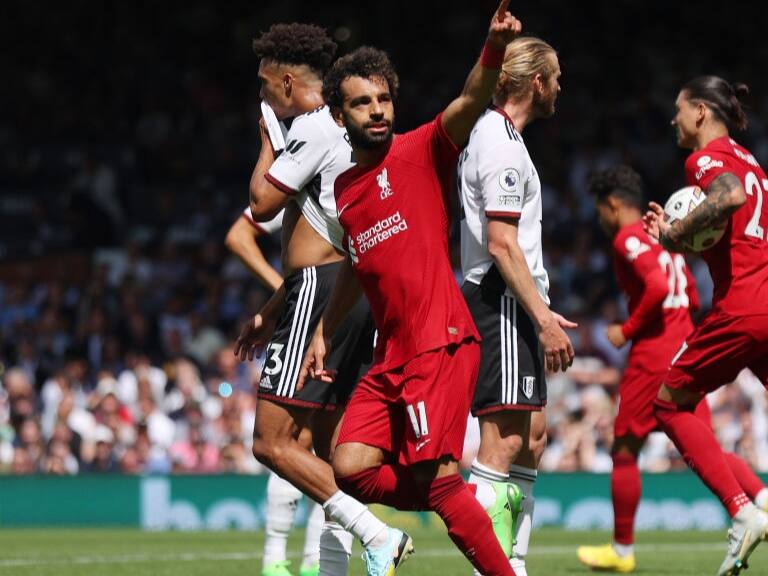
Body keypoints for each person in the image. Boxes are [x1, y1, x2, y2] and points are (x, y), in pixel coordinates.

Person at [301, 3, 523, 574]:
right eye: (362, 102)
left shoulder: (421, 150)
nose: (377, 110)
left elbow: (471, 99)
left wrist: (494, 47)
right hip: (391, 355)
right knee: (350, 466)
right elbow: (359, 264)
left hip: (437, 342)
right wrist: (325, 329)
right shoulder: (345, 189)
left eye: (383, 99)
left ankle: (461, 508)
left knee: (438, 483)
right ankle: (462, 501)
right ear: (339, 114)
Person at [232, 23, 401, 576]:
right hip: (351, 290)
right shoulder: (344, 128)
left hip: (320, 291)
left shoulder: (311, 125)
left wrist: (267, 141)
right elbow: (325, 235)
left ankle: (377, 534)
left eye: (265, 85)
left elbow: (260, 206)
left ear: (285, 82)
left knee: (273, 443)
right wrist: (273, 309)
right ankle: (332, 568)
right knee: (326, 447)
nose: (262, 96)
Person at [578, 166, 768, 573]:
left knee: (625, 448)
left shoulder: (629, 237)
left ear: (613, 205)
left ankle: (622, 550)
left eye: (600, 210)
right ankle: (762, 498)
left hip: (652, 355)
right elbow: (691, 295)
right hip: (685, 341)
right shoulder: (667, 237)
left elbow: (658, 287)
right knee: (703, 445)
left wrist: (627, 329)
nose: (601, 219)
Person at [456, 36, 573, 576]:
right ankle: (491, 567)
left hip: (516, 301)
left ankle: (514, 562)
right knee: (501, 443)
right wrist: (541, 318)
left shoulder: (501, 138)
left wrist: (541, 307)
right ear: (537, 82)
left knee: (532, 439)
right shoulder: (500, 143)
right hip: (498, 299)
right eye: (556, 77)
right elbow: (501, 244)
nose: (560, 88)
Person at [644, 76, 768, 576]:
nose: (673, 120)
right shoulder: (751, 160)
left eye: (678, 109)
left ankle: (743, 512)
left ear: (700, 111)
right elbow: (735, 234)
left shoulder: (705, 159)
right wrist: (678, 239)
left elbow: (729, 198)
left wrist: (674, 231)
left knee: (668, 405)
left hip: (741, 308)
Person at [226, 206, 326, 576]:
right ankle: (297, 559)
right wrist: (288, 291)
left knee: (315, 443)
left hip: (337, 311)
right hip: (316, 314)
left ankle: (291, 559)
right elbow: (239, 236)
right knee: (298, 440)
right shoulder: (300, 183)